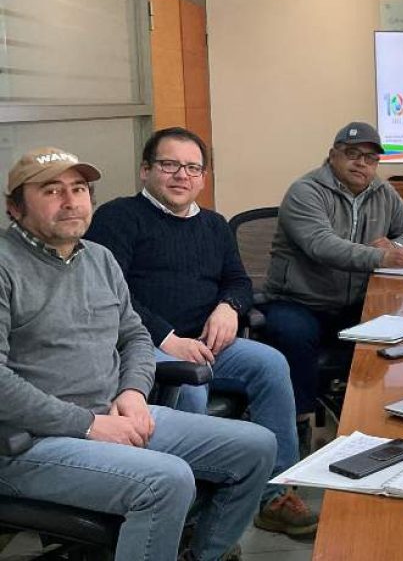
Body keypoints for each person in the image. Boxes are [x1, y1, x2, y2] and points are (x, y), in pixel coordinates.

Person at [0, 147, 275, 560]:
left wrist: (132, 391)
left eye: (79, 188)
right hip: (28, 443)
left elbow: (135, 336)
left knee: (257, 448)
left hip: (112, 414)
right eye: (51, 190)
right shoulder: (6, 267)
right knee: (168, 481)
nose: (71, 200)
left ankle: (203, 555)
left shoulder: (99, 259)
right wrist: (89, 425)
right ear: (15, 208)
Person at [85, 128, 318, 537]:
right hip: (145, 345)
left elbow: (239, 282)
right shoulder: (117, 218)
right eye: (169, 165)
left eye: (193, 167)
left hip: (208, 342)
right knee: (189, 382)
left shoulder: (213, 224)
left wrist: (229, 307)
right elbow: (111, 293)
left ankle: (273, 494)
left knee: (270, 364)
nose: (181, 175)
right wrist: (167, 338)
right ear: (145, 171)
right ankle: (189, 509)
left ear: (203, 177)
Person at [261, 121, 403, 418]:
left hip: (354, 303)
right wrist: (381, 258)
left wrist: (397, 246)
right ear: (332, 155)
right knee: (293, 334)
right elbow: (322, 245)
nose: (361, 163)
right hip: (300, 302)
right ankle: (300, 422)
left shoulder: (382, 191)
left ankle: (376, 416)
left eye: (370, 158)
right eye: (352, 153)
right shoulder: (306, 191)